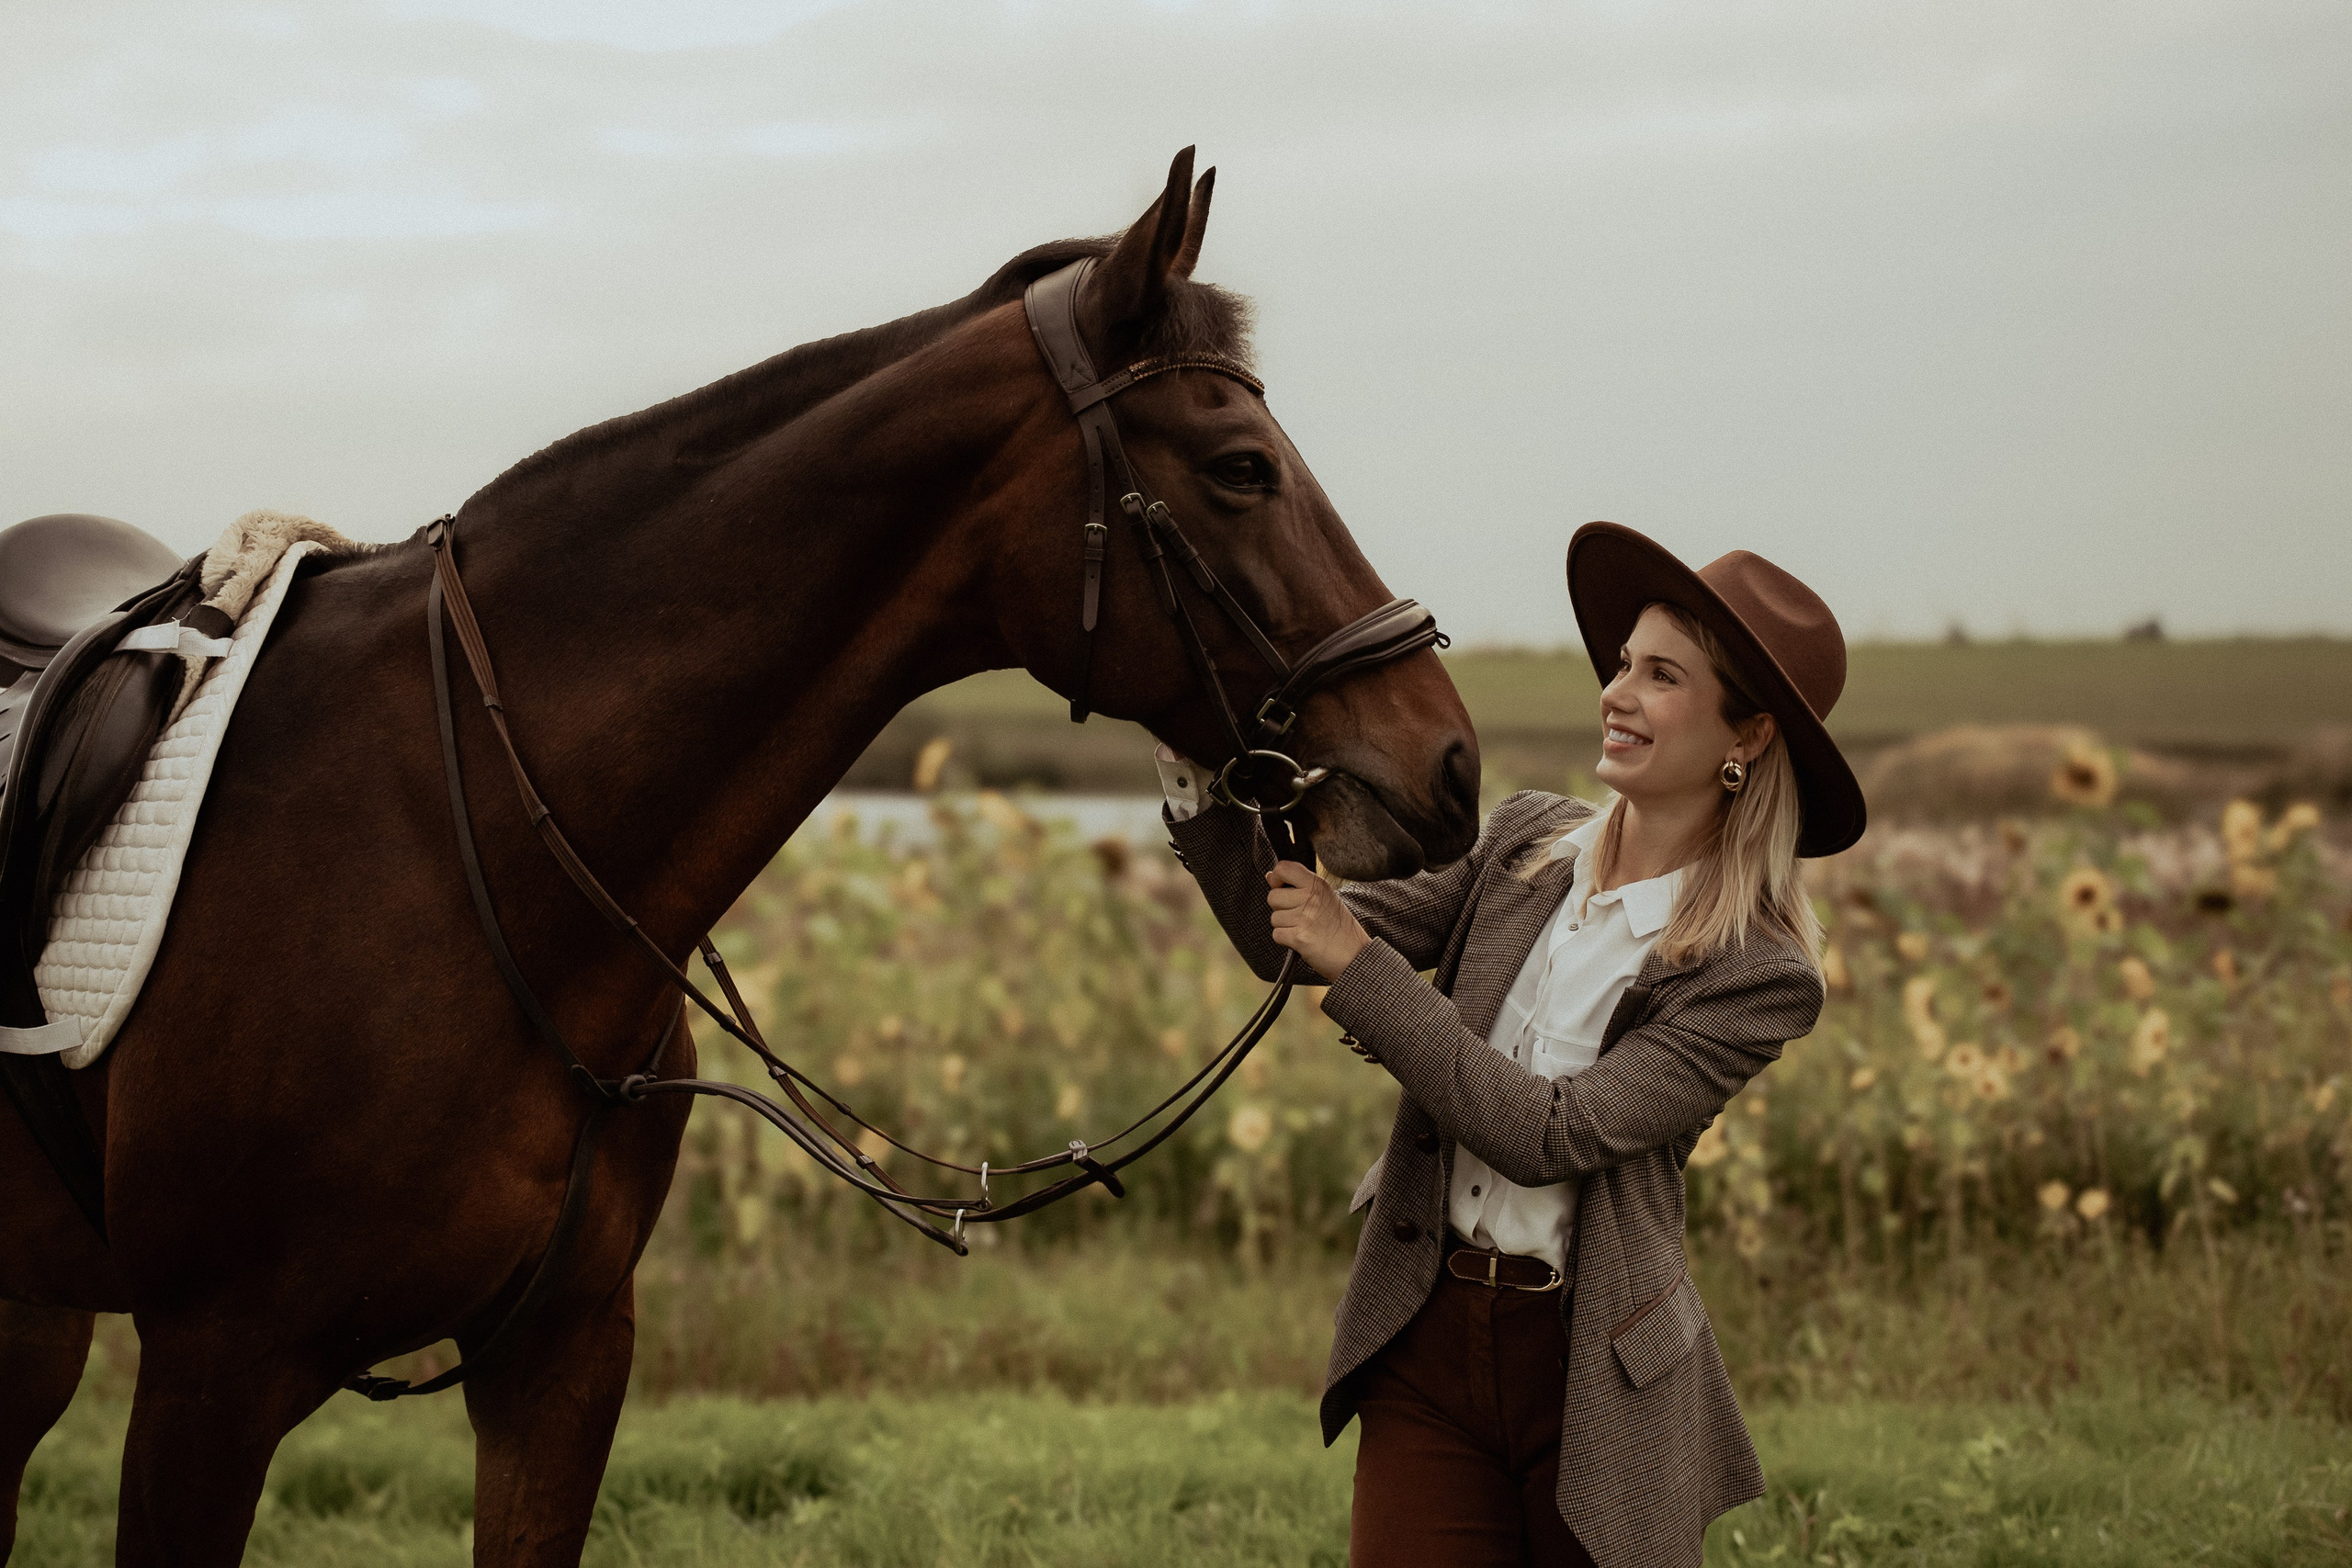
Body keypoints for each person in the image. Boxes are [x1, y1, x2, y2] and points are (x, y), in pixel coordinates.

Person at [1156, 522, 1866, 1568]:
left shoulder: (1757, 974)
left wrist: (1356, 965)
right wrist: (1192, 779)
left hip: (1590, 1370)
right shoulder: (1525, 842)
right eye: (1621, 664)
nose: (1616, 693)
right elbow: (1300, 937)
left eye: (1659, 676)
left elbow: (1552, 1132)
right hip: (1425, 1333)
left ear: (1746, 737)